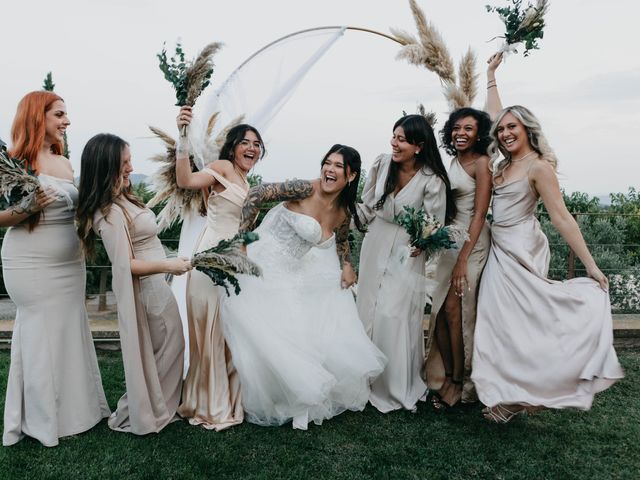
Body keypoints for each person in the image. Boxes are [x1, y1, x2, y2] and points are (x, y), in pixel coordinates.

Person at [471, 54, 624, 423]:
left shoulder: (538, 167)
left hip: (521, 249)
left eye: (514, 128)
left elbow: (562, 218)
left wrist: (591, 265)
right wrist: (490, 76)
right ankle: (510, 393)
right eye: (503, 129)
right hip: (499, 248)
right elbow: (495, 115)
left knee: (520, 323)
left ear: (528, 130)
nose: (506, 133)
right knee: (499, 323)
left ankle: (521, 396)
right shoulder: (504, 163)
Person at [221, 144, 386, 430]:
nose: (329, 169)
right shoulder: (302, 189)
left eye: (337, 166)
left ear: (351, 175)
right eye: (327, 163)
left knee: (311, 325)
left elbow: (342, 239)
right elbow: (257, 194)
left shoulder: (344, 209)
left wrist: (347, 264)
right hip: (265, 263)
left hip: (293, 272)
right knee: (269, 330)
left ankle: (293, 394)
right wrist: (242, 241)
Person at [2, 91, 109, 447]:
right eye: (59, 114)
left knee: (68, 331)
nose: (66, 121)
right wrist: (28, 207)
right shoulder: (15, 161)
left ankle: (78, 413)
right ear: (38, 117)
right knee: (41, 335)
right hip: (30, 263)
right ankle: (41, 420)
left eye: (66, 115)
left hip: (68, 263)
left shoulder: (62, 162)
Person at [77, 133, 188, 434]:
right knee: (169, 348)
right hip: (150, 290)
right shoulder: (110, 212)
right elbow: (124, 264)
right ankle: (143, 410)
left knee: (168, 348)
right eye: (124, 162)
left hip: (158, 285)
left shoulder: (123, 199)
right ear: (107, 166)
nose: (130, 167)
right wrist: (169, 265)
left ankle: (157, 406)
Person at [355, 114, 455, 413]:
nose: (394, 143)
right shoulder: (381, 164)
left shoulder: (432, 180)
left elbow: (433, 223)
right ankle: (363, 378)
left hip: (407, 249)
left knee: (394, 312)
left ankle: (394, 384)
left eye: (402, 139)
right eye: (394, 136)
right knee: (369, 305)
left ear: (419, 146)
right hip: (375, 240)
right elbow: (368, 203)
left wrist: (419, 244)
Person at [174, 106, 265, 430]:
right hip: (211, 258)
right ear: (233, 146)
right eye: (246, 142)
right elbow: (185, 180)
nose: (252, 148)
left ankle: (225, 398)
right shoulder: (223, 168)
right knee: (212, 330)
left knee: (229, 332)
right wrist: (182, 137)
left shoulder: (246, 178)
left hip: (235, 262)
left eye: (257, 143)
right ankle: (209, 403)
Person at [423, 108, 492, 410]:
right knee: (439, 312)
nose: (460, 133)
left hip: (472, 243)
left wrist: (464, 259)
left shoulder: (482, 164)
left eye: (468, 128)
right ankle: (446, 377)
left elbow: (479, 214)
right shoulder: (452, 161)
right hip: (449, 242)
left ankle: (459, 384)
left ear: (479, 134)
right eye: (456, 128)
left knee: (456, 311)